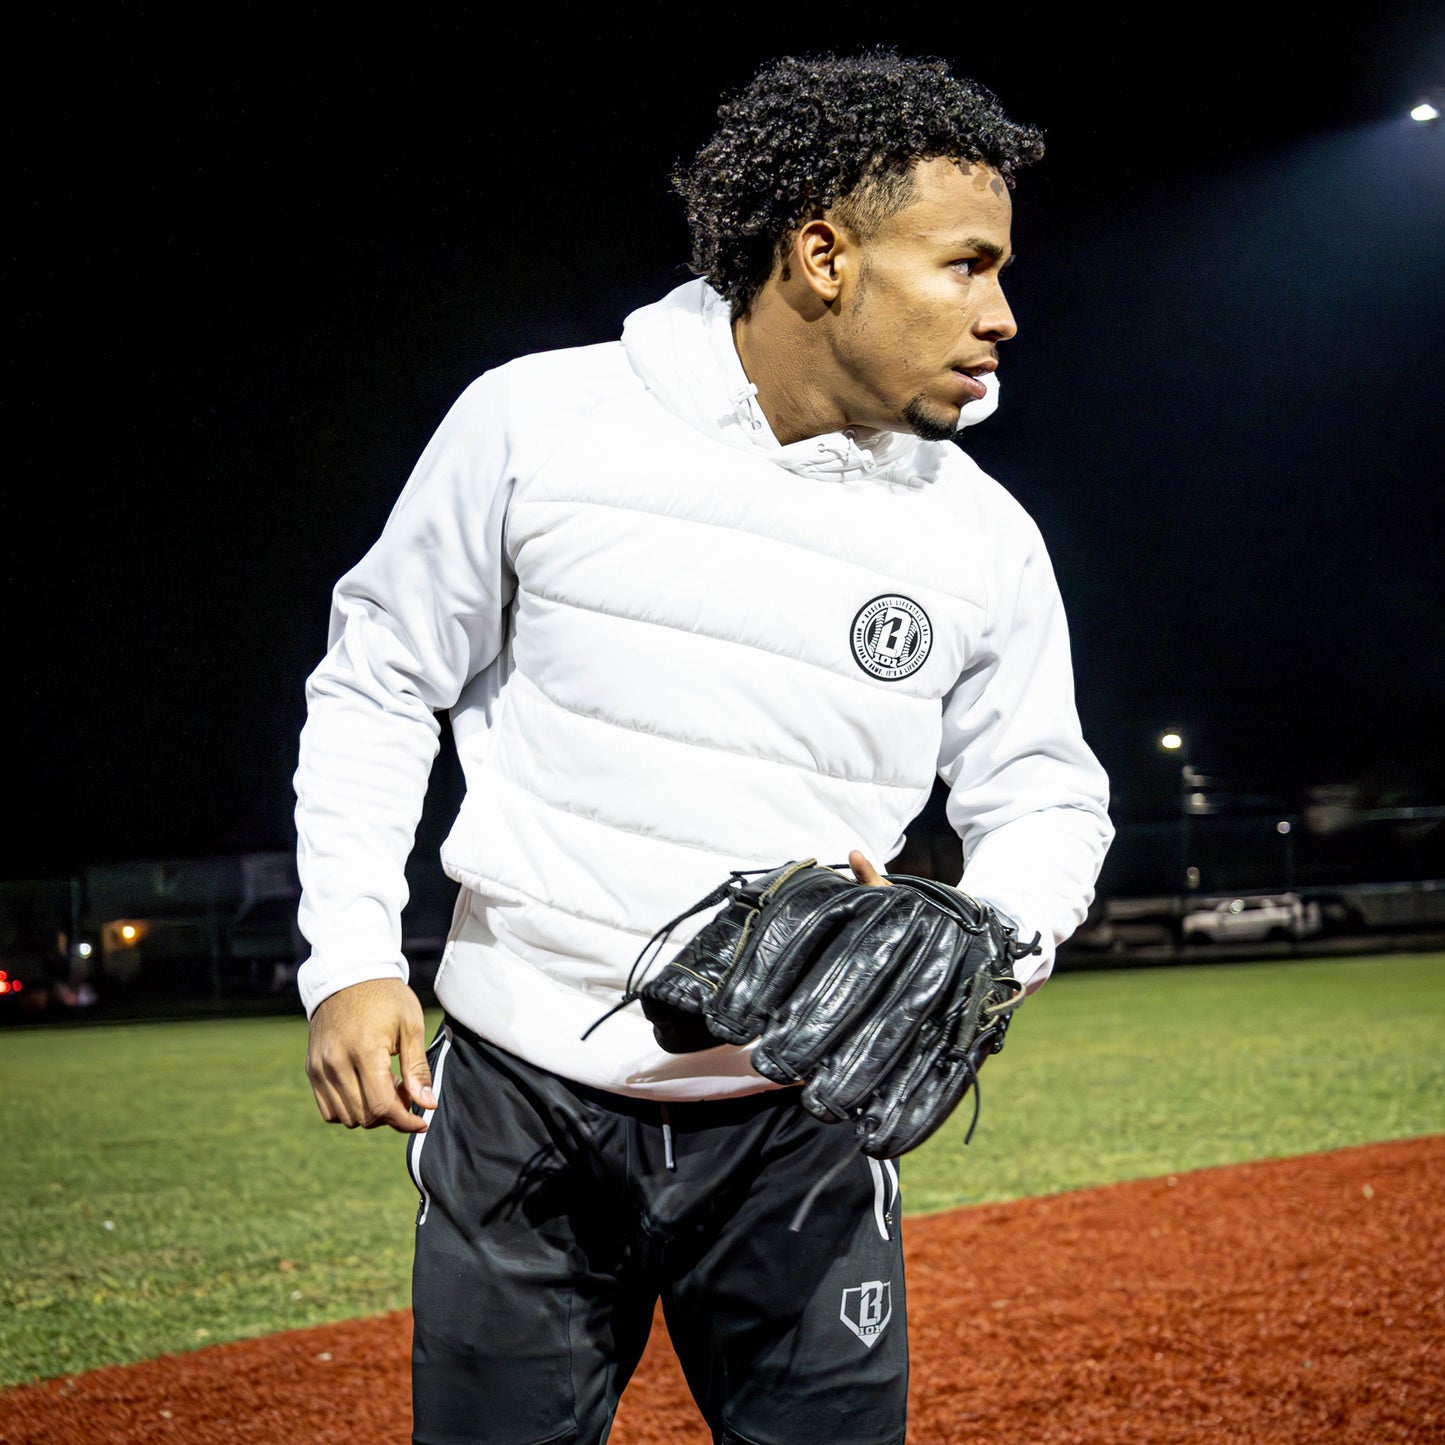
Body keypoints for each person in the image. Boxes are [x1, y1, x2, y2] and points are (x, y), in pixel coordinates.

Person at [295, 48, 1114, 1445]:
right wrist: (353, 958)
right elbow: (377, 682)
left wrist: (989, 935)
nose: (1002, 314)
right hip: (519, 1107)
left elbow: (1044, 794)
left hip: (803, 1123)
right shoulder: (536, 422)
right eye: (965, 266)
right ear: (824, 256)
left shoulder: (981, 533)